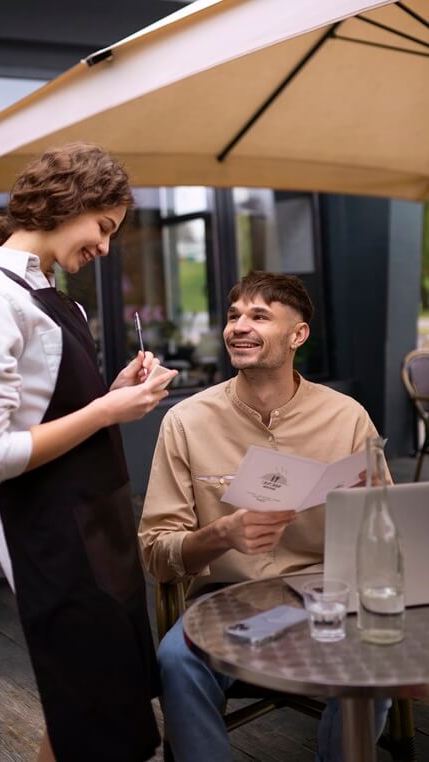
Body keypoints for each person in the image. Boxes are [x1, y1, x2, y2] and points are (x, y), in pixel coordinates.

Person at [0, 142, 177, 762]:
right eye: (103, 227)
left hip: (99, 527)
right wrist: (105, 411)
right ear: (70, 199)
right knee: (95, 711)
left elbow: (48, 409)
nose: (105, 247)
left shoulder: (51, 295)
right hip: (50, 533)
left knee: (96, 703)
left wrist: (111, 391)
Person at [139, 271, 390, 762]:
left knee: (376, 655)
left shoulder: (348, 417)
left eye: (259, 315)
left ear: (298, 335)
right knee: (176, 659)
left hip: (328, 599)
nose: (238, 326)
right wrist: (221, 534)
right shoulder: (186, 420)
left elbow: (388, 535)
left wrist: (373, 513)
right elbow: (156, 552)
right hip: (224, 603)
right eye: (234, 316)